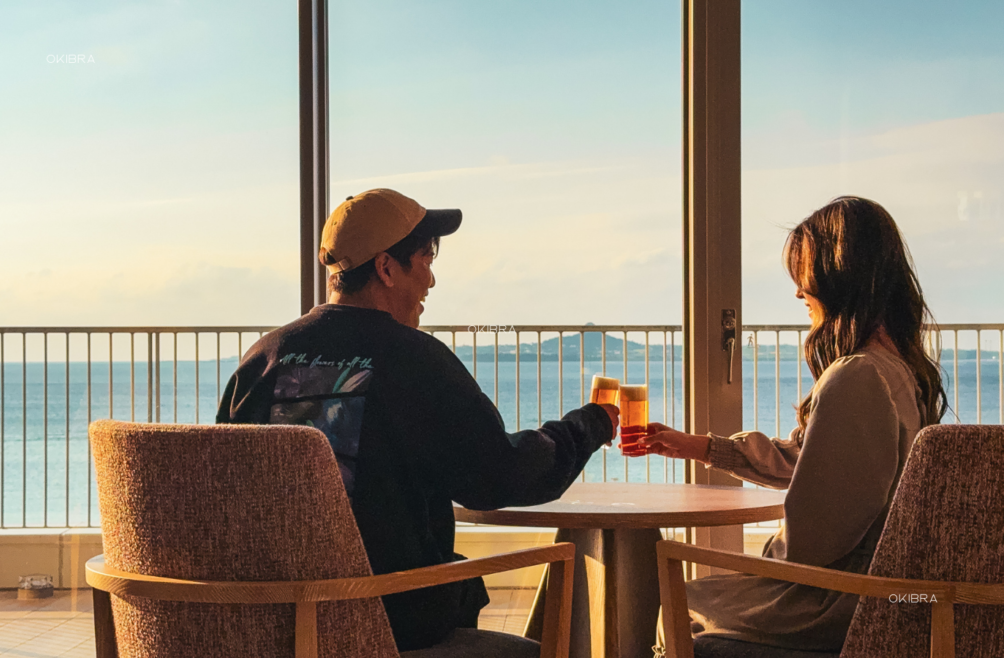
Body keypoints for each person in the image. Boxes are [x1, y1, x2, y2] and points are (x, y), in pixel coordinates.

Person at [216, 188, 618, 653]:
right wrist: (588, 427)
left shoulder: (262, 360)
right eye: (425, 258)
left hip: (272, 629)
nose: (431, 280)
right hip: (389, 629)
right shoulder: (413, 361)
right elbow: (500, 477)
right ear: (387, 268)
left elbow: (231, 499)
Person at [639, 196, 947, 653]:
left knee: (674, 600)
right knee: (706, 596)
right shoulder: (900, 371)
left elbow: (813, 542)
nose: (799, 292)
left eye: (805, 276)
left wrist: (763, 569)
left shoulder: (857, 376)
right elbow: (817, 461)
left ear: (839, 276)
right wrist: (702, 447)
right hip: (885, 593)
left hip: (842, 603)